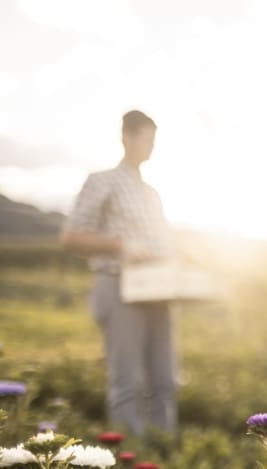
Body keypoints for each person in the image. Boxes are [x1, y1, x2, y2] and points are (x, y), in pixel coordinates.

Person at [61, 110, 177, 437]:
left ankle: (165, 457)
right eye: (146, 139)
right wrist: (120, 245)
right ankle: (132, 462)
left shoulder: (152, 193)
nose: (151, 147)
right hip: (119, 285)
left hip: (159, 290)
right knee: (128, 381)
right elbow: (71, 236)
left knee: (165, 379)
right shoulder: (102, 181)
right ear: (126, 137)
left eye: (154, 141)